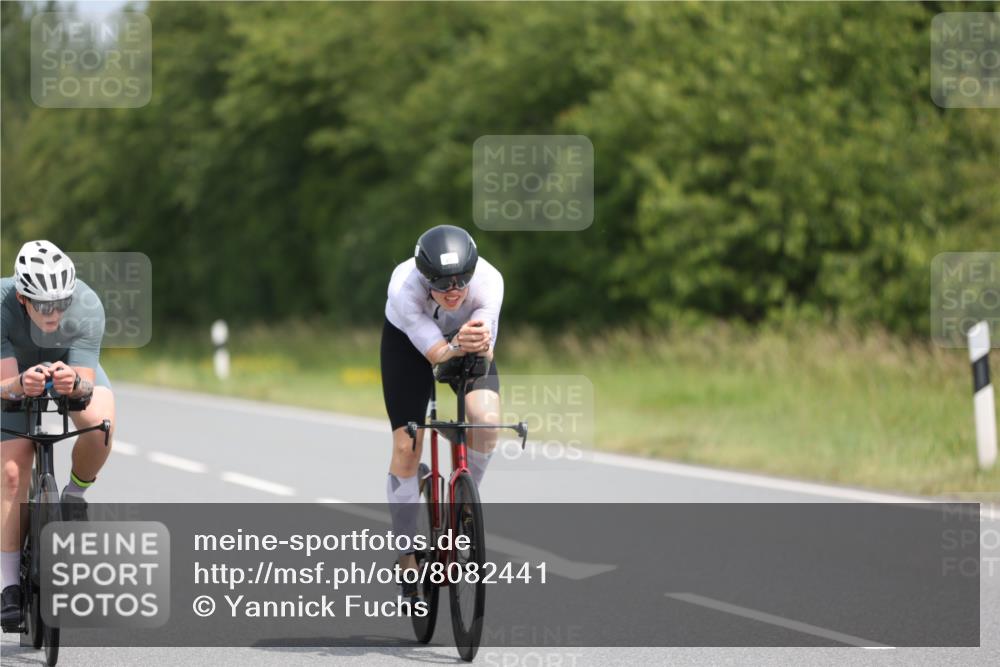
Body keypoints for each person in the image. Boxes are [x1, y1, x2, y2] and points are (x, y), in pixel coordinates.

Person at [381, 225, 503, 601]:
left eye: (460, 282)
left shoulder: (489, 281)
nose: (453, 292)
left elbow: (485, 354)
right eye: (441, 283)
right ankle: (405, 556)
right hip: (409, 346)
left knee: (484, 419)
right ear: (423, 277)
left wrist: (474, 345)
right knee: (406, 447)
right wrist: (454, 345)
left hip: (464, 345)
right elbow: (435, 357)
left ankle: (465, 503)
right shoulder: (404, 288)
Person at [0, 241, 115, 631]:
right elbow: (3, 385)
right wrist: (19, 383)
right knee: (13, 473)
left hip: (68, 367)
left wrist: (74, 383)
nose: (54, 313)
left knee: (101, 429)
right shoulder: (0, 306)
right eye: (43, 305)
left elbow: (85, 382)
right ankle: (9, 586)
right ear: (21, 298)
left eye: (61, 303)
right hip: (13, 377)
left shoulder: (86, 305)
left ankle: (75, 495)